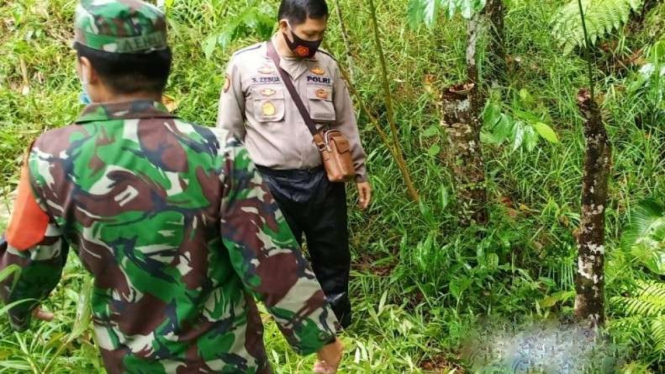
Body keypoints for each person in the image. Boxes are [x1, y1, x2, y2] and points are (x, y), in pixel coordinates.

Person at [0, 1, 344, 373]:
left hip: (130, 359)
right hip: (227, 357)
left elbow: (26, 252)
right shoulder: (217, 151)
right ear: (165, 66)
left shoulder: (51, 157)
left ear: (87, 67)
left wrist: (21, 302)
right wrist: (321, 338)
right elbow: (270, 257)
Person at [217, 0, 371, 330]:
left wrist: (359, 171)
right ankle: (290, 327)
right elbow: (229, 132)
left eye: (321, 34)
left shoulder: (326, 66)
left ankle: (337, 325)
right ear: (285, 26)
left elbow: (346, 122)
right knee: (280, 259)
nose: (315, 41)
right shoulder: (245, 65)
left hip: (323, 180)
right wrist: (232, 184)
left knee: (332, 255)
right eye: (308, 34)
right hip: (269, 181)